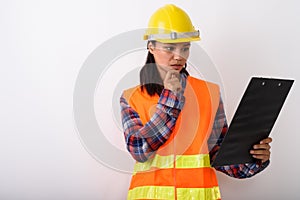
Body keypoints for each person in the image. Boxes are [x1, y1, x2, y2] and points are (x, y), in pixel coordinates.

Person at [120, 4, 272, 200]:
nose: (179, 56)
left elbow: (219, 155)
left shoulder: (209, 92)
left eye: (185, 47)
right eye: (169, 48)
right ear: (151, 46)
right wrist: (170, 100)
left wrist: (253, 159)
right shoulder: (131, 97)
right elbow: (140, 150)